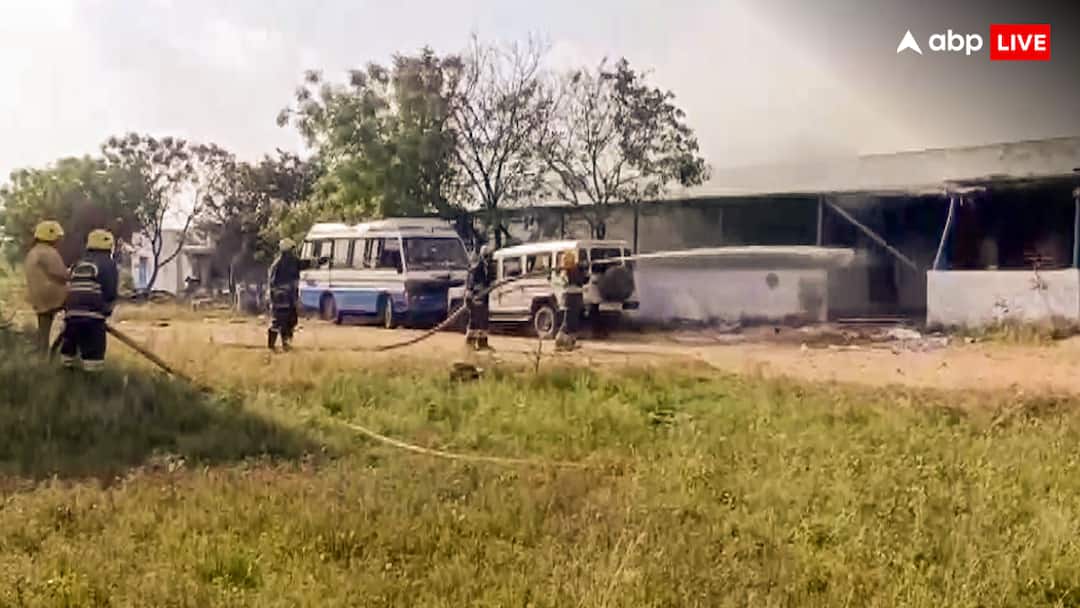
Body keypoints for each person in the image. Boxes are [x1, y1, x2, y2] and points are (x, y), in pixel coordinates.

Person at [59, 229, 119, 372]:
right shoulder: (108, 264)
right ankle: (92, 380)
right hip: (93, 318)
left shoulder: (78, 264)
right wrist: (106, 311)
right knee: (94, 359)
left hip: (71, 316)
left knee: (68, 356)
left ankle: (65, 377)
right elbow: (110, 292)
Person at [24, 220, 70, 353]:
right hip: (54, 296)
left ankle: (42, 355)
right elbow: (62, 275)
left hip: (38, 299)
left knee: (44, 330)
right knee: (80, 307)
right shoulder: (48, 252)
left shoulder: (32, 252)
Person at [267, 238, 316, 351]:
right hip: (280, 298)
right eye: (292, 250)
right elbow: (272, 283)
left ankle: (287, 344)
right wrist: (280, 293)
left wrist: (318, 261)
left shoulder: (293, 262)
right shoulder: (277, 265)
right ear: (287, 251)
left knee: (291, 320)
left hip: (290, 297)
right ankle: (272, 345)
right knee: (279, 321)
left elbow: (304, 264)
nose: (294, 252)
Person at [554, 249, 587, 352]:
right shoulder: (569, 271)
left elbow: (583, 280)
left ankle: (568, 343)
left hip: (573, 297)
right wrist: (581, 269)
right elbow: (580, 280)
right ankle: (560, 343)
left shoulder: (571, 270)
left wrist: (582, 268)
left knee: (572, 322)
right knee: (569, 322)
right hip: (572, 297)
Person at [465, 244, 493, 351]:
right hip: (475, 298)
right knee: (474, 321)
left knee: (484, 321)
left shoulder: (489, 268)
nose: (488, 258)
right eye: (486, 256)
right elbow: (471, 282)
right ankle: (470, 343)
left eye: (489, 256)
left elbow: (489, 282)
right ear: (482, 256)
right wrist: (470, 294)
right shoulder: (476, 268)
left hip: (484, 299)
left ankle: (482, 342)